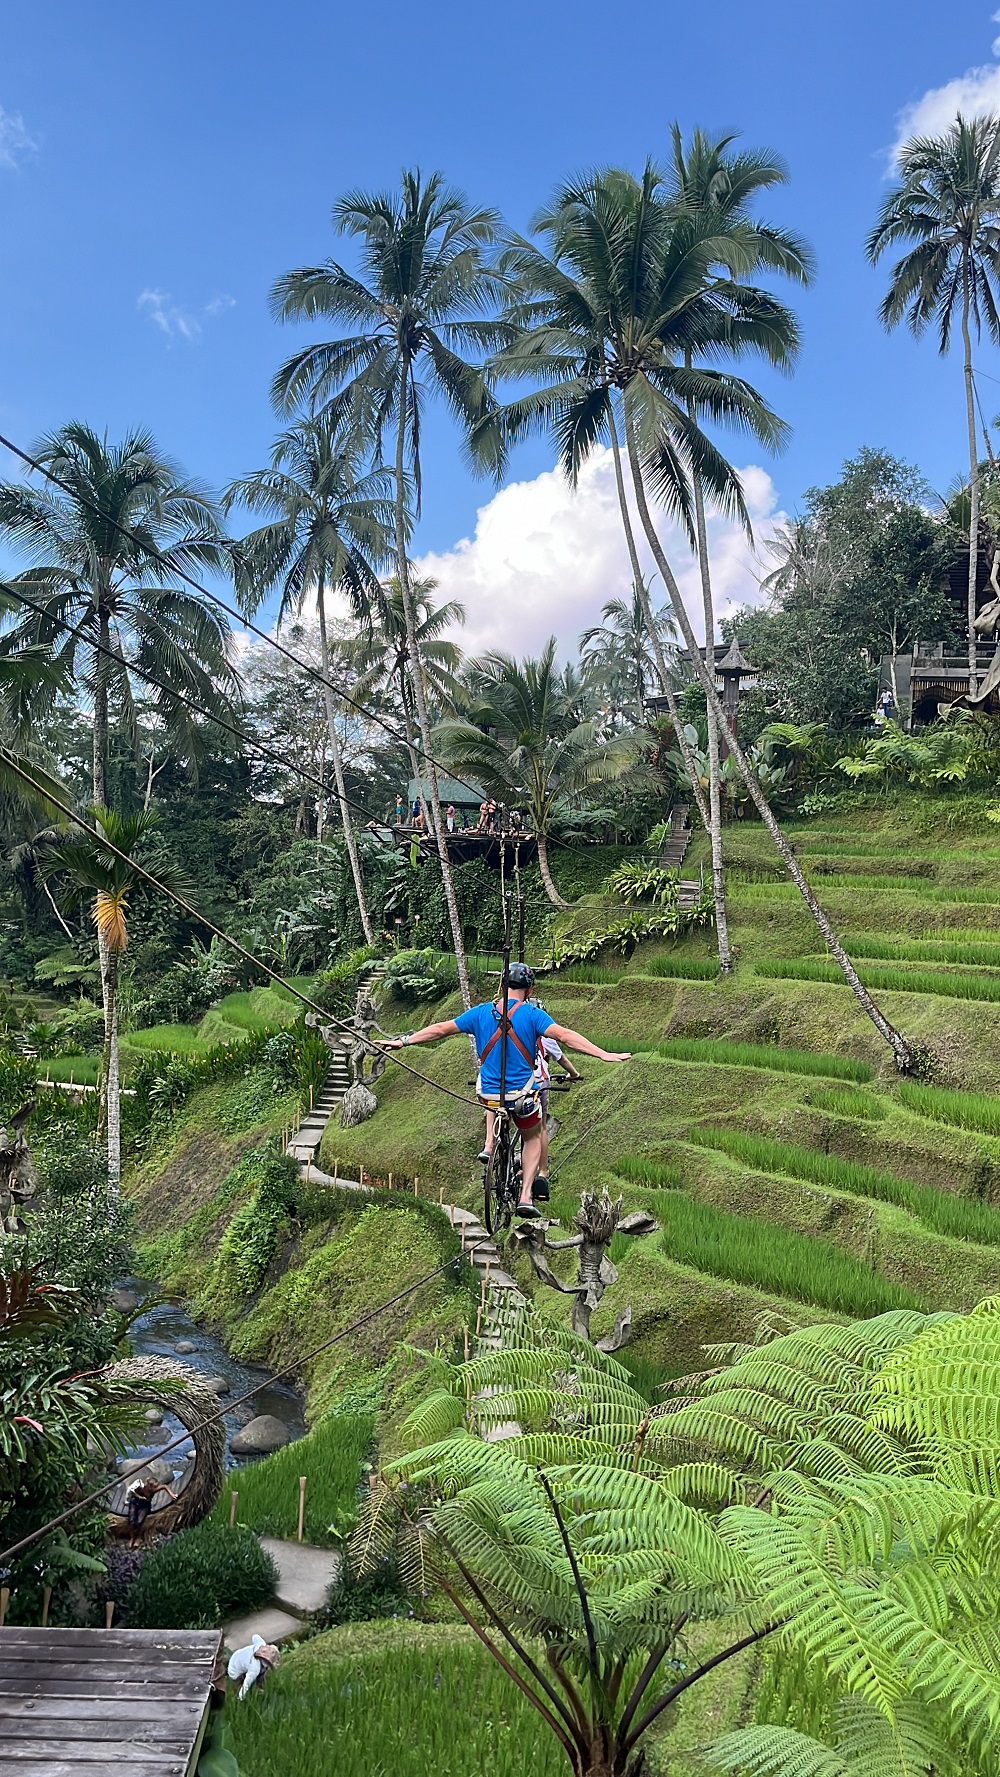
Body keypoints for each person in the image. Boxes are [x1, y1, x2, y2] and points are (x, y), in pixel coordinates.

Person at [385, 961, 629, 1216]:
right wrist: (603, 1054)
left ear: (501, 985)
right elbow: (565, 1036)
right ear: (530, 990)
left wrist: (404, 1041)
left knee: (493, 1104)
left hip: (487, 1095)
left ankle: (490, 1144)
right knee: (532, 1137)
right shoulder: (533, 1015)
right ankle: (525, 1197)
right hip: (522, 1096)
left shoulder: (480, 1012)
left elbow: (440, 1029)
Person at [124, 1472, 177, 1549]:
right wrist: (139, 1497)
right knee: (132, 1520)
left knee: (140, 1521)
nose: (156, 1488)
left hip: (145, 1505)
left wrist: (172, 1495)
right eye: (154, 1487)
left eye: (156, 1486)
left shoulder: (153, 1490)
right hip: (135, 1502)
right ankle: (132, 1538)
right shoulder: (141, 1486)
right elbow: (131, 1491)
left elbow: (164, 1487)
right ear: (149, 1486)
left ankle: (139, 1537)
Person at [227, 1635, 281, 1701]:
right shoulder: (255, 1668)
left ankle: (258, 1685)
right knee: (242, 1681)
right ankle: (244, 1689)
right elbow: (246, 1683)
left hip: (237, 1655)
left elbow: (255, 1637)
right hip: (234, 1670)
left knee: (263, 1672)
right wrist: (241, 1697)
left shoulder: (261, 1644)